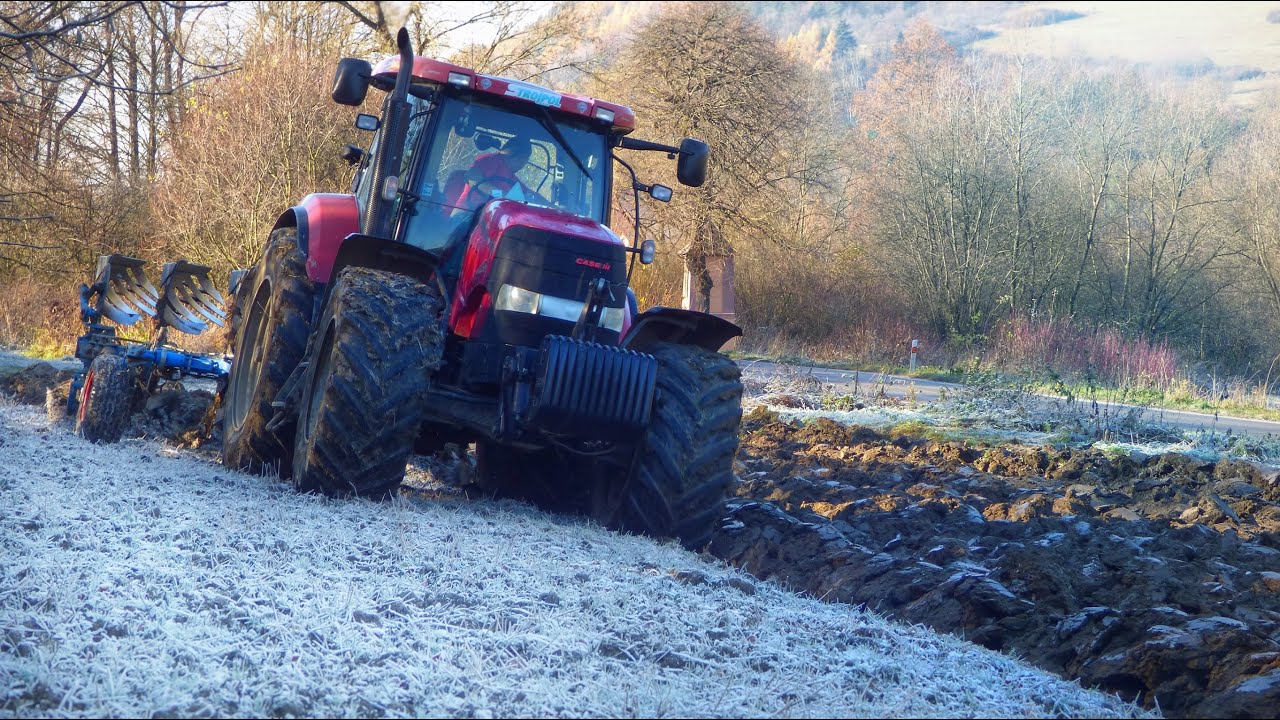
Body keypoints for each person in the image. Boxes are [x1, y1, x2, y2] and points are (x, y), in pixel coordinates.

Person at [453, 136, 533, 210]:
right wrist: (501, 195)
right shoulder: (491, 160)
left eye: (524, 161)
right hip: (467, 212)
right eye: (521, 159)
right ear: (510, 153)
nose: (522, 165)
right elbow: (472, 177)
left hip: (490, 216)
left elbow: (530, 195)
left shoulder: (512, 179)